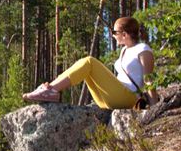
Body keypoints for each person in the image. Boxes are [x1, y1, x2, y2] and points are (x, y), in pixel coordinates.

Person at [22, 16, 155, 109]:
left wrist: (155, 106)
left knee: (89, 62)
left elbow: (149, 80)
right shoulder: (124, 50)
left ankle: (51, 90)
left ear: (125, 34)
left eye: (114, 32)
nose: (113, 35)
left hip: (129, 98)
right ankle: (50, 88)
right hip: (111, 99)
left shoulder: (143, 50)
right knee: (86, 69)